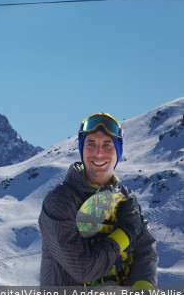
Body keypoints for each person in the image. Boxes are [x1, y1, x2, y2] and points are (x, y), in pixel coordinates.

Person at [39, 112, 158, 286]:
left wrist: (143, 288)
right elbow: (82, 269)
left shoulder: (126, 198)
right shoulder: (60, 201)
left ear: (118, 151)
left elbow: (146, 249)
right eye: (91, 144)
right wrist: (125, 233)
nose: (99, 153)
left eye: (107, 145)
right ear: (82, 149)